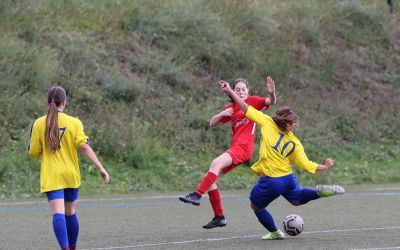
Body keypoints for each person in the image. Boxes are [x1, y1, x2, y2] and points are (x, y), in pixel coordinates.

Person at [218, 79, 345, 240]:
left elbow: (244, 107)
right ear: (289, 125)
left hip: (271, 180)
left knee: (256, 206)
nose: (295, 126)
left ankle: (275, 232)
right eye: (294, 123)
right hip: (288, 178)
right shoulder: (295, 142)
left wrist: (230, 91)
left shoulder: (267, 122)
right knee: (297, 199)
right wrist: (325, 167)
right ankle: (319, 193)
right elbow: (306, 165)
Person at [179, 76, 277, 229]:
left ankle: (197, 195)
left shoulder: (252, 101)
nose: (241, 92)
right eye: (237, 89)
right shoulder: (231, 108)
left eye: (243, 89)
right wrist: (221, 115)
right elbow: (212, 123)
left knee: (215, 163)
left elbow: (271, 102)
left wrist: (271, 93)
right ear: (233, 92)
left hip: (244, 148)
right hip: (235, 148)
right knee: (210, 180)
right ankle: (219, 217)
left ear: (248, 91)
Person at [28, 86, 110, 250]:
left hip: (52, 175)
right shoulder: (74, 122)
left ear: (48, 102)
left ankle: (65, 248)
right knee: (70, 212)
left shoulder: (38, 124)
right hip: (70, 174)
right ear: (64, 102)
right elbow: (85, 147)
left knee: (58, 213)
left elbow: (34, 152)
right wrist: (101, 168)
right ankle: (72, 247)